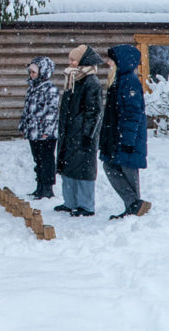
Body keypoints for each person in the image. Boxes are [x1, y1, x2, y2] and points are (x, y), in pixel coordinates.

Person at [100, 45, 152, 219]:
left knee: (128, 172)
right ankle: (134, 205)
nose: (108, 63)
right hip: (117, 135)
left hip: (127, 137)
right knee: (110, 166)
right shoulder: (118, 80)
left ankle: (134, 208)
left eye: (111, 60)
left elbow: (132, 112)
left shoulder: (129, 81)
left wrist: (128, 140)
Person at [55, 44, 105, 217]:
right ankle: (70, 202)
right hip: (70, 133)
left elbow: (94, 111)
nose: (70, 62)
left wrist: (88, 134)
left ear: (83, 60)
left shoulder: (91, 82)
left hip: (82, 134)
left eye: (73, 59)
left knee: (84, 170)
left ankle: (86, 205)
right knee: (68, 168)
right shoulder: (73, 79)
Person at [19, 56, 60, 199]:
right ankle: (39, 186)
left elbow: (52, 111)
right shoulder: (32, 89)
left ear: (43, 72)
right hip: (33, 132)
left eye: (34, 72)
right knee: (38, 159)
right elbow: (27, 110)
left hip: (45, 133)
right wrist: (23, 126)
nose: (31, 75)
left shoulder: (50, 89)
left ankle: (47, 188)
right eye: (30, 72)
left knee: (46, 160)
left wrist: (47, 131)